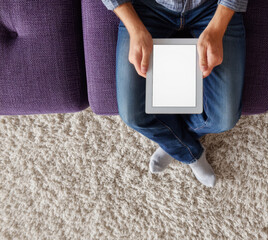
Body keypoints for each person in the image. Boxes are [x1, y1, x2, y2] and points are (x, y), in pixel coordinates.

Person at [101, 0, 247, 187]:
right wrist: (135, 28)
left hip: (213, 7)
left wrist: (218, 27)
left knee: (224, 119)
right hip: (145, 8)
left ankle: (173, 143)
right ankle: (190, 152)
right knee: (132, 115)